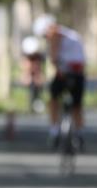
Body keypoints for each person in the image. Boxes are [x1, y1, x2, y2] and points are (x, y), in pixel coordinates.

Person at [33, 14, 86, 148]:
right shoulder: (72, 34)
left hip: (66, 73)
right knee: (77, 105)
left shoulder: (55, 35)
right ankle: (79, 134)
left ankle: (54, 131)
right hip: (78, 74)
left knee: (53, 99)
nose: (47, 38)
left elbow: (54, 58)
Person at [20, 36, 46, 113]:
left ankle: (37, 102)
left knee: (38, 88)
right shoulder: (26, 58)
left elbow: (39, 68)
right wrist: (26, 76)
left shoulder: (39, 57)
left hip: (36, 76)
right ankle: (30, 105)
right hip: (29, 76)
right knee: (30, 88)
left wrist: (39, 76)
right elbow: (25, 67)